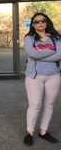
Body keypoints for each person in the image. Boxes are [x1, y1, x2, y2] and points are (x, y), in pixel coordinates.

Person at [23, 12, 61, 146]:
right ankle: (29, 133)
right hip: (34, 76)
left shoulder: (56, 37)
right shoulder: (29, 38)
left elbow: (60, 55)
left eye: (42, 20)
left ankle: (43, 131)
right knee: (35, 105)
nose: (40, 23)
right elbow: (31, 53)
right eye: (36, 21)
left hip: (54, 76)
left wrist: (40, 55)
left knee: (49, 105)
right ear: (33, 24)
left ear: (46, 22)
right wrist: (52, 52)